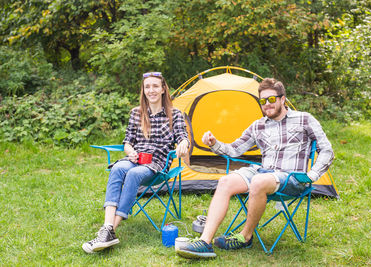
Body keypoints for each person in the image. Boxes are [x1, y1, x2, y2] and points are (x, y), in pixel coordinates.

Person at [176, 78, 334, 259]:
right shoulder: (258, 125)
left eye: (272, 99)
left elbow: (327, 150)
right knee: (225, 181)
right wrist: (214, 143)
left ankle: (245, 236)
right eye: (263, 101)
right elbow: (234, 149)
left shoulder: (304, 119)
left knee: (258, 181)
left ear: (283, 99)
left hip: (292, 178)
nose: (267, 104)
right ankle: (204, 242)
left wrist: (312, 175)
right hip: (263, 173)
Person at [82, 72, 190, 253]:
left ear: (163, 89)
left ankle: (109, 232)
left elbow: (182, 137)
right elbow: (127, 141)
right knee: (117, 168)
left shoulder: (175, 114)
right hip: (135, 159)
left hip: (157, 165)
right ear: (143, 90)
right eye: (147, 87)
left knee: (132, 174)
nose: (151, 90)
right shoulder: (136, 113)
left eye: (155, 86)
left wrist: (183, 145)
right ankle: (107, 228)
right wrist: (130, 151)